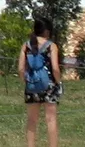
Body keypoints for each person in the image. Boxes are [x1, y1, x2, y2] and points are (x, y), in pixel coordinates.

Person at [18, 18, 61, 147]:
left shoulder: (26, 45)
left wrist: (25, 79)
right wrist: (59, 82)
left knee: (32, 120)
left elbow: (20, 68)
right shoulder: (51, 46)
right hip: (49, 86)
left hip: (31, 84)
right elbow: (55, 68)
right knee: (51, 119)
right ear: (47, 31)